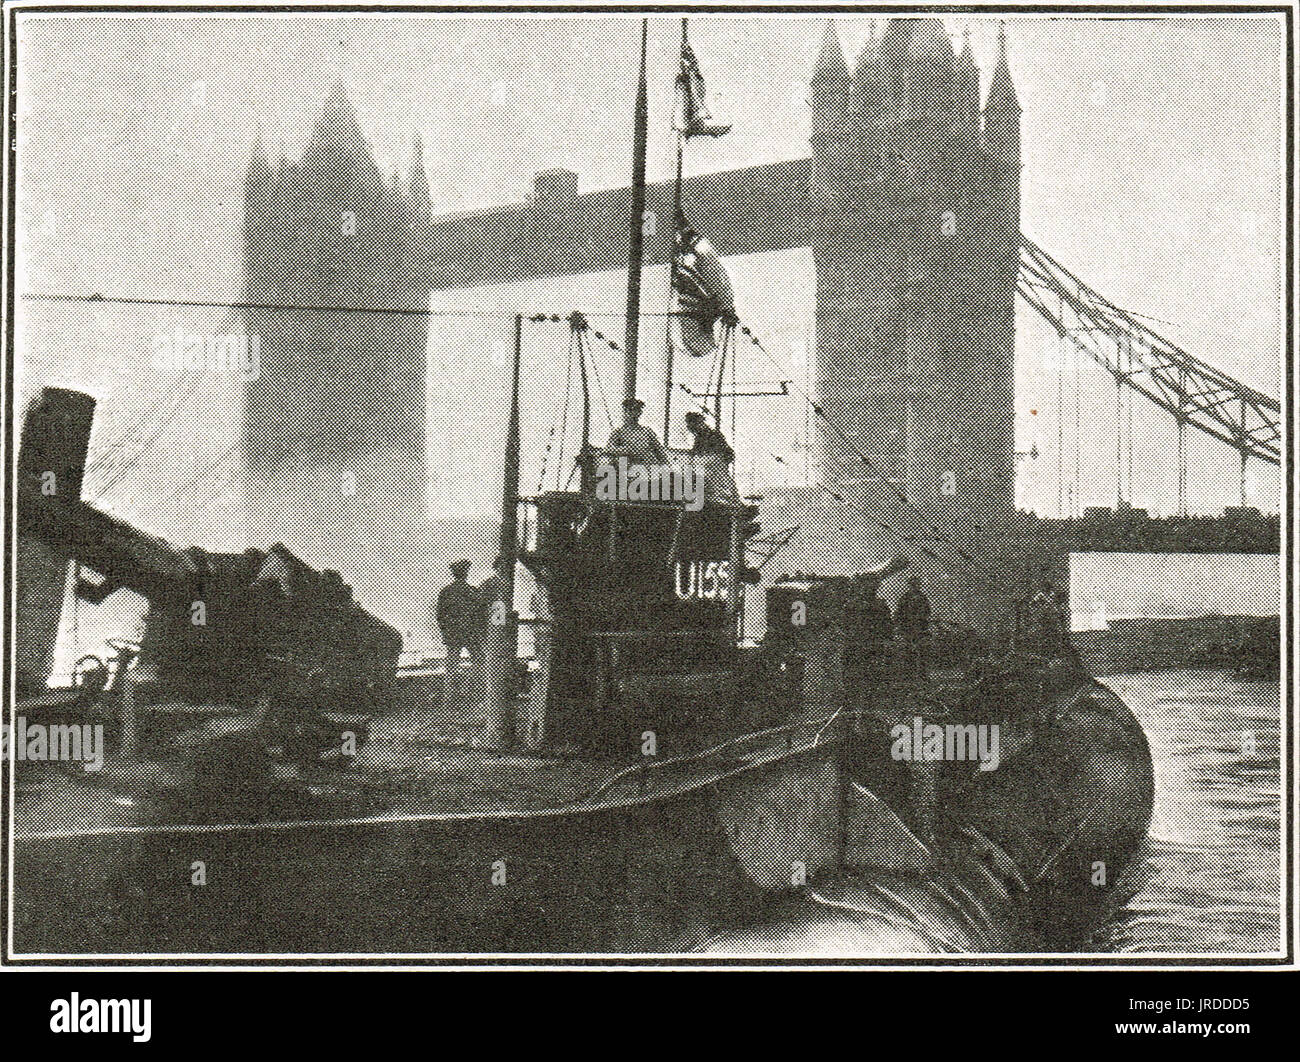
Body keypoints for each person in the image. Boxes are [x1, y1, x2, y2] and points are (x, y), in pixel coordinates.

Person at [841, 572, 895, 721]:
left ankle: (860, 716)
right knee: (857, 684)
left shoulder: (858, 605)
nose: (872, 588)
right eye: (869, 584)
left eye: (874, 585)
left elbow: (887, 627)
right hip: (860, 648)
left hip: (867, 648)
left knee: (867, 684)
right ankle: (854, 716)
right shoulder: (854, 605)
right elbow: (845, 626)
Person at [437, 560, 483, 669]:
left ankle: (450, 685)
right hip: (470, 631)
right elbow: (480, 611)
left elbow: (440, 615)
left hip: (454, 632)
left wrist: (445, 631)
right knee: (478, 661)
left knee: (452, 662)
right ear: (466, 573)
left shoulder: (446, 592)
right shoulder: (472, 591)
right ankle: (475, 684)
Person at [606, 397, 667, 463]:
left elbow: (661, 454)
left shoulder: (647, 432)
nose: (631, 414)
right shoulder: (618, 433)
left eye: (635, 410)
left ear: (639, 412)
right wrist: (625, 450)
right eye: (628, 410)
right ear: (624, 412)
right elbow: (608, 450)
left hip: (645, 467)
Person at [896, 575, 932, 679]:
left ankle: (922, 674)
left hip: (920, 629)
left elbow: (927, 612)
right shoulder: (905, 598)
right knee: (909, 651)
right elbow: (899, 613)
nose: (916, 586)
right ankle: (909, 674)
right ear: (909, 585)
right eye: (913, 584)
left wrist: (921, 620)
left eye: (917, 584)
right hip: (908, 629)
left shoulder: (922, 597)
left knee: (922, 651)